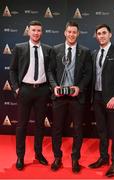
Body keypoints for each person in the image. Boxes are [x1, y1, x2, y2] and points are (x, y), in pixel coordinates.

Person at [48, 21, 92, 173]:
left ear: (78, 34)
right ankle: (57, 157)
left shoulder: (85, 51)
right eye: (69, 32)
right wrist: (55, 87)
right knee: (57, 129)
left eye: (74, 32)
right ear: (65, 33)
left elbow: (88, 73)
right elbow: (50, 71)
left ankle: (75, 159)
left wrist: (78, 87)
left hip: (76, 96)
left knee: (78, 130)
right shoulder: (56, 50)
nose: (72, 34)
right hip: (59, 97)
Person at [10, 20, 52, 170]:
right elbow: (13, 70)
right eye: (33, 30)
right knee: (22, 125)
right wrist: (16, 88)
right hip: (25, 91)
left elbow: (50, 71)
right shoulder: (19, 48)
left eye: (39, 30)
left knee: (40, 125)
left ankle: (38, 154)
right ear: (28, 31)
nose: (36, 33)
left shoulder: (48, 49)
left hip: (42, 91)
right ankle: (20, 157)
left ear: (42, 32)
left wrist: (49, 88)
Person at [88, 24, 114, 177]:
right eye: (99, 33)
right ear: (96, 36)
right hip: (97, 98)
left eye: (104, 33)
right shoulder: (94, 53)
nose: (101, 36)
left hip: (112, 99)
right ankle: (104, 157)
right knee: (102, 131)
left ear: (110, 34)